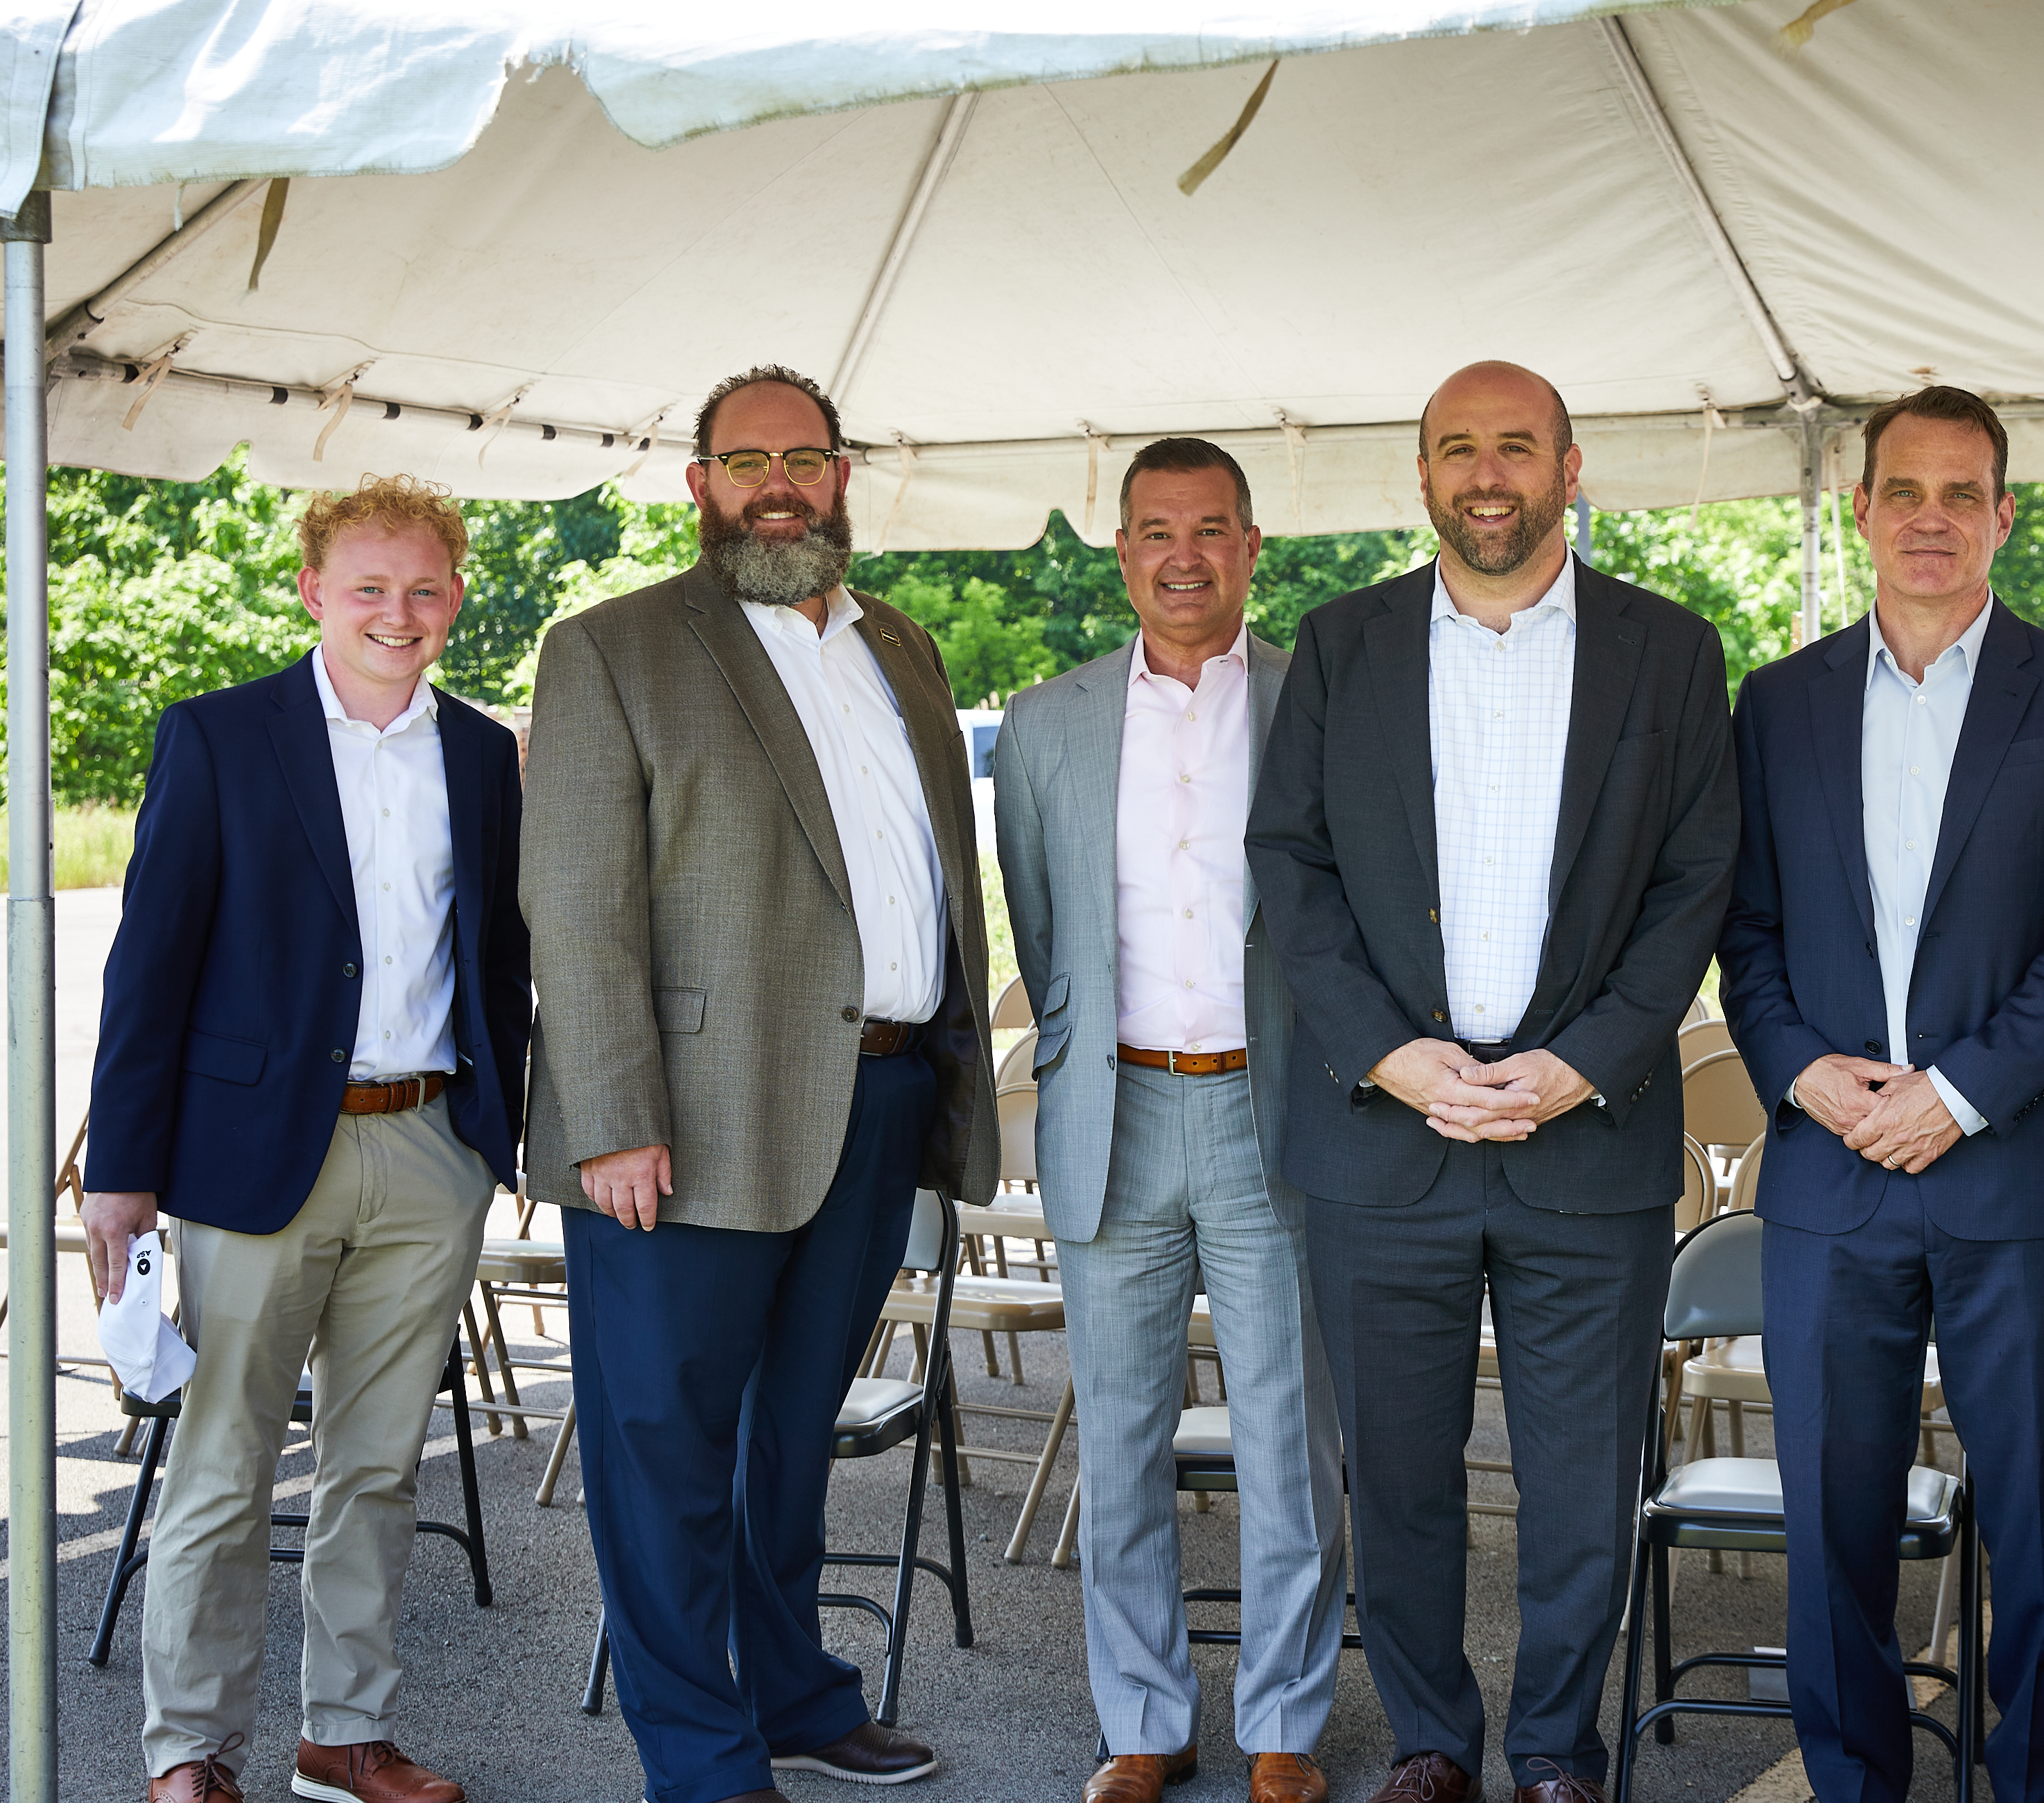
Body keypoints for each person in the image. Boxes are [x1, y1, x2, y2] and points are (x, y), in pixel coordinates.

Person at [1247, 361, 1737, 1803]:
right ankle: (1429, 1741)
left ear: (1570, 468)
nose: (1486, 472)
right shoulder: (1343, 645)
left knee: (1581, 1487)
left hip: (1590, 1139)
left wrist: (1581, 1067)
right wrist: (1397, 1059)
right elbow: (1294, 866)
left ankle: (1552, 1751)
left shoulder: (1670, 650)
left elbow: (1697, 880)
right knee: (1397, 1479)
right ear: (1422, 477)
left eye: (1515, 446)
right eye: (1456, 448)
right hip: (1383, 1145)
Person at [522, 365, 999, 1803]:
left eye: (803, 455)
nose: (776, 482)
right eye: (747, 460)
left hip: (881, 1099)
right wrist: (611, 1117)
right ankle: (700, 1755)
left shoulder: (900, 646)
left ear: (843, 472)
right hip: (685, 1123)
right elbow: (578, 900)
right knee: (665, 1447)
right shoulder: (614, 646)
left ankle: (795, 1693)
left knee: (793, 1438)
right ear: (700, 485)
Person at [1716, 386, 2044, 1803]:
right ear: (1861, 507)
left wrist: (1954, 1095)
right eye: (1904, 490)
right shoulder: (1777, 705)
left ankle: (2025, 1780)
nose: (1930, 518)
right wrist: (1800, 1070)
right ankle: (1856, 1784)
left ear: (2004, 516)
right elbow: (1748, 931)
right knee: (1834, 1527)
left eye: (1962, 494)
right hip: (1831, 1178)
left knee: (2031, 1523)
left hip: (2011, 1177)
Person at [80, 476, 530, 1803]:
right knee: (222, 1470)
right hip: (250, 1159)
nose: (401, 613)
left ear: (456, 596)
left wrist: (496, 1136)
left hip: (430, 1148)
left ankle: (348, 1734)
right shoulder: (220, 737)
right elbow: (148, 966)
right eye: (370, 588)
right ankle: (190, 1754)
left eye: (426, 588)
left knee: (380, 1467)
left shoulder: (481, 754)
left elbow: (497, 959)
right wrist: (122, 1168)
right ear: (312, 594)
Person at [995, 435, 1344, 1803]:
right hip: (1115, 1112)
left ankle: (1283, 1725)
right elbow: (1043, 920)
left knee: (1287, 1435)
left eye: (1211, 529)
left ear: (1253, 547)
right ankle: (1143, 1717)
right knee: (1122, 1439)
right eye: (1155, 530)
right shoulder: (1047, 722)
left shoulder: (1317, 705)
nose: (1183, 555)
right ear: (1122, 548)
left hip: (1276, 1114)